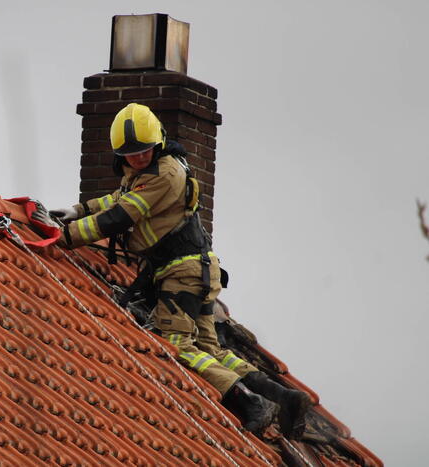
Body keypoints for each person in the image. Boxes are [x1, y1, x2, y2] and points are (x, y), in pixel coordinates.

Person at [50, 103, 310, 438]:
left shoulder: (165, 175)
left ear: (157, 143)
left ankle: (250, 403)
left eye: (143, 151)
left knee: (178, 344)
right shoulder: (153, 170)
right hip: (198, 270)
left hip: (181, 274)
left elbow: (120, 216)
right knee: (210, 349)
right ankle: (284, 398)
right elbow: (119, 197)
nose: (137, 158)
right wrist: (77, 210)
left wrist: (62, 236)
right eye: (130, 154)